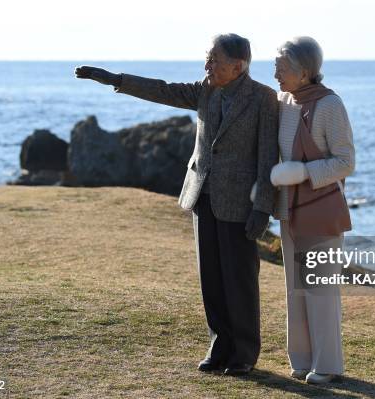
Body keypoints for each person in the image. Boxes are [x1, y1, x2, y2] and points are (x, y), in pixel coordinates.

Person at [74, 33, 279, 376]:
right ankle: (220, 344)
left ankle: (243, 352)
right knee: (211, 278)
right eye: (207, 58)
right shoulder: (206, 89)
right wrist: (116, 80)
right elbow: (165, 90)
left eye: (214, 60)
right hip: (202, 195)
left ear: (238, 65)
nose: (207, 65)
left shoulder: (263, 98)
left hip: (240, 203)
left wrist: (263, 208)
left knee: (239, 279)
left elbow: (268, 157)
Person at [270, 36, 355, 384]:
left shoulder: (330, 104)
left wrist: (305, 172)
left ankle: (328, 365)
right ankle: (302, 360)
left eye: (281, 66)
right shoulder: (283, 101)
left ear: (303, 72)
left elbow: (346, 161)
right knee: (296, 290)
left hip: (319, 211)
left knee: (321, 292)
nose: (275, 72)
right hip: (289, 211)